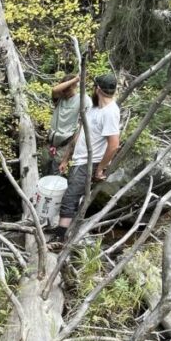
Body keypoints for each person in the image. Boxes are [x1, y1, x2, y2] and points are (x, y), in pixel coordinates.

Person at [55, 73, 121, 243]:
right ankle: (68, 231)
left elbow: (113, 144)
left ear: (97, 89)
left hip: (89, 162)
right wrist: (66, 159)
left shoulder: (110, 112)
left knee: (70, 197)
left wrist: (100, 168)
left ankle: (59, 238)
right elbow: (80, 134)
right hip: (78, 159)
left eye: (93, 87)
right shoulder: (94, 108)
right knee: (74, 196)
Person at [47, 73, 91, 175]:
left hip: (65, 144)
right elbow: (54, 90)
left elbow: (84, 125)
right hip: (50, 142)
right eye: (64, 89)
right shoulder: (59, 98)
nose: (65, 92)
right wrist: (74, 79)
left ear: (75, 87)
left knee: (55, 173)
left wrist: (66, 160)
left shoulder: (82, 99)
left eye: (68, 90)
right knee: (45, 169)